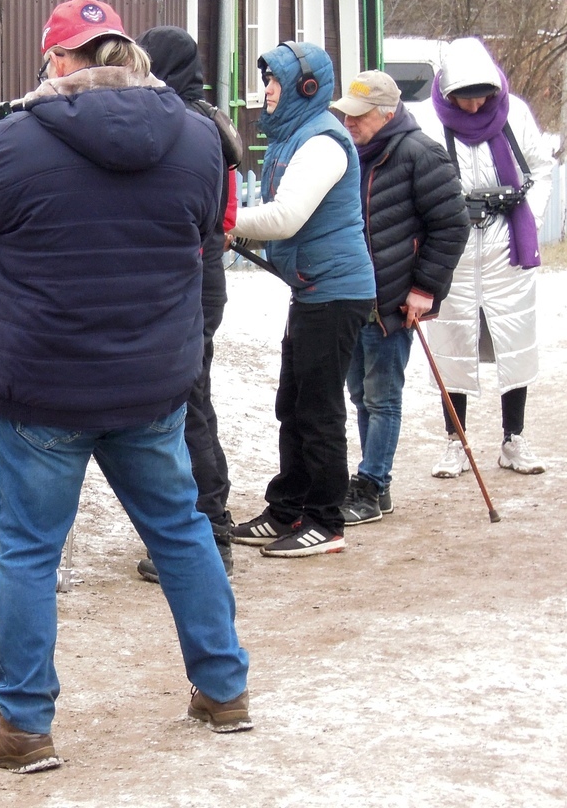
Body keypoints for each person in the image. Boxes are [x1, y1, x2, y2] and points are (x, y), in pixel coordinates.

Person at [0, 0, 252, 774]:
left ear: (65, 62)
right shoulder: (201, 140)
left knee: (31, 554)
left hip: (43, 389)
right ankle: (224, 690)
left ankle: (25, 726)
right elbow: (202, 228)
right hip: (150, 385)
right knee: (181, 533)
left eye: (50, 61)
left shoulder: (9, 145)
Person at [227, 42, 375, 557]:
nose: (265, 93)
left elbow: (285, 218)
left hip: (336, 294)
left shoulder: (323, 144)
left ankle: (325, 519)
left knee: (318, 409)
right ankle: (288, 507)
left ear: (303, 88)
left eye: (273, 83)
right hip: (312, 292)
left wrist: (223, 222)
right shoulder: (296, 138)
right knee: (293, 404)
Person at [331, 70, 469, 524]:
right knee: (360, 393)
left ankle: (372, 485)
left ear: (388, 113)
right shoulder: (354, 152)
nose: (350, 123)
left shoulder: (419, 152)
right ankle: (377, 482)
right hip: (354, 296)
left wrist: (424, 289)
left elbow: (451, 225)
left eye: (360, 116)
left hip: (395, 297)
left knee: (382, 396)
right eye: (347, 114)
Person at [416, 37, 555, 477]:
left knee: (515, 341)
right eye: (465, 98)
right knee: (452, 343)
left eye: (481, 97)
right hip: (452, 249)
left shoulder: (514, 114)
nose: (474, 107)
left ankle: (514, 438)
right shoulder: (428, 122)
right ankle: (454, 442)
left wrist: (527, 212)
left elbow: (541, 165)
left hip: (505, 245)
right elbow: (419, 179)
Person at [134, 25, 245, 581]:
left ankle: (211, 529)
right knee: (188, 402)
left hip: (192, 282)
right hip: (197, 279)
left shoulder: (187, 123)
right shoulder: (199, 115)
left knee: (189, 405)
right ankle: (201, 526)